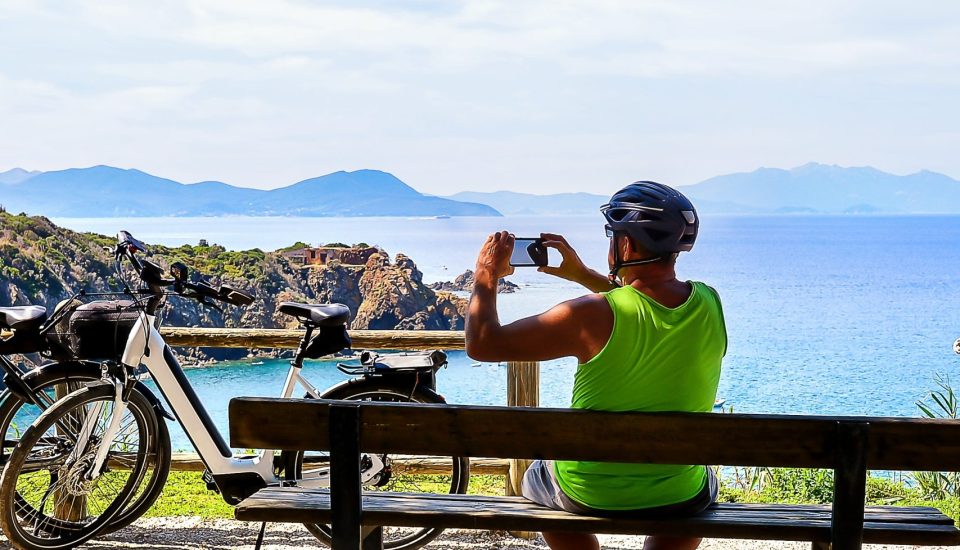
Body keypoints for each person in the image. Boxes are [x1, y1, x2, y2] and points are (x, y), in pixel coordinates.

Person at [465, 181, 726, 550]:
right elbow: (642, 304)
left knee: (534, 479)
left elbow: (482, 344)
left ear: (627, 244)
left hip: (588, 492)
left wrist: (485, 276)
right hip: (678, 494)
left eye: (613, 235)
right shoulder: (710, 304)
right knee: (701, 484)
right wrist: (582, 274)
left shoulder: (588, 315)